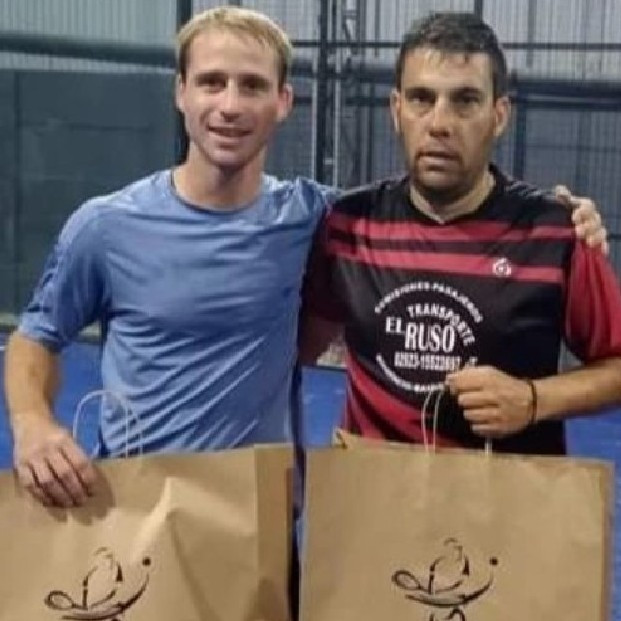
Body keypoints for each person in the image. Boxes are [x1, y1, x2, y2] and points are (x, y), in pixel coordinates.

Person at [3, 7, 608, 508]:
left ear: (283, 101)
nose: (230, 105)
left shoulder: (324, 218)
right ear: (180, 92)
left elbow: (307, 337)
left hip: (267, 517)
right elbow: (37, 336)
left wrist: (572, 227)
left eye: (252, 85)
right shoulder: (108, 226)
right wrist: (32, 423)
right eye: (211, 82)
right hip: (140, 507)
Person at [300, 11, 621, 455]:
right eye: (421, 98)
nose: (440, 123)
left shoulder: (555, 234)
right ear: (396, 110)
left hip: (503, 493)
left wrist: (533, 400)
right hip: (372, 490)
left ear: (499, 115)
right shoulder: (348, 225)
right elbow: (299, 346)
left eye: (465, 100)